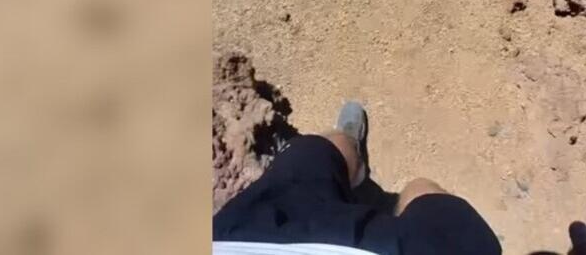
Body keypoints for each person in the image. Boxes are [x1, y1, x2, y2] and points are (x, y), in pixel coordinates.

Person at [213, 101, 503, 255]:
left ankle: (349, 153)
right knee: (425, 194)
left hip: (247, 242)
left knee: (321, 150)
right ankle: (352, 165)